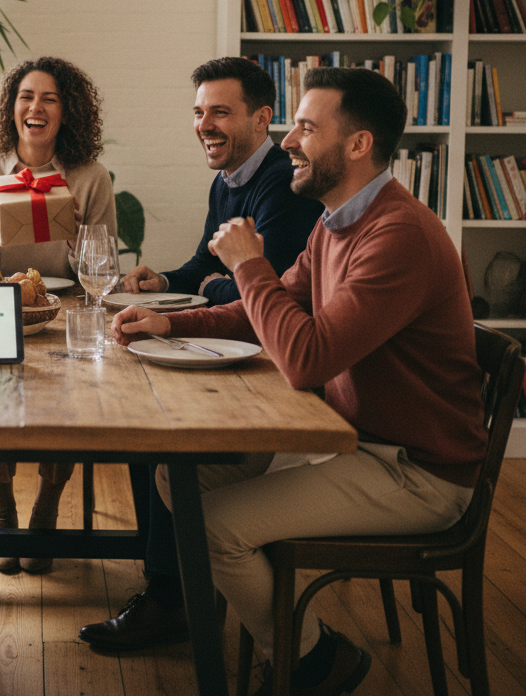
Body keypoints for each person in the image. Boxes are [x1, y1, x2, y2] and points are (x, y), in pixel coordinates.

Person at [111, 67, 487, 695]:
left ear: (359, 144)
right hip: (345, 438)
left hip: (416, 471)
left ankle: (312, 659)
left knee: (212, 525)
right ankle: (276, 637)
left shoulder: (398, 235)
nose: (287, 140)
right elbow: (267, 312)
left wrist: (250, 264)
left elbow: (305, 358)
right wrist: (167, 325)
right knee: (178, 483)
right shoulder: (336, 220)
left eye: (307, 128)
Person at [79, 57, 324, 650]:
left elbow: (261, 286)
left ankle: (170, 597)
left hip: (277, 371)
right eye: (198, 112)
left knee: (162, 442)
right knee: (146, 435)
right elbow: (205, 265)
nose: (204, 124)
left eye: (219, 111)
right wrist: (157, 278)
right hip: (247, 343)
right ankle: (169, 580)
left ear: (263, 118)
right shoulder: (229, 178)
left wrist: (212, 285)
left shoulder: (283, 186)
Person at [0, 56, 118, 574]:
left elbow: (105, 268)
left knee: (70, 402)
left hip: (64, 313)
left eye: (50, 98)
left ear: (67, 112)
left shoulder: (91, 179)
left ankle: (46, 509)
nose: (36, 107)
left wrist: (77, 246)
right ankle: (2, 513)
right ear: (11, 108)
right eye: (27, 96)